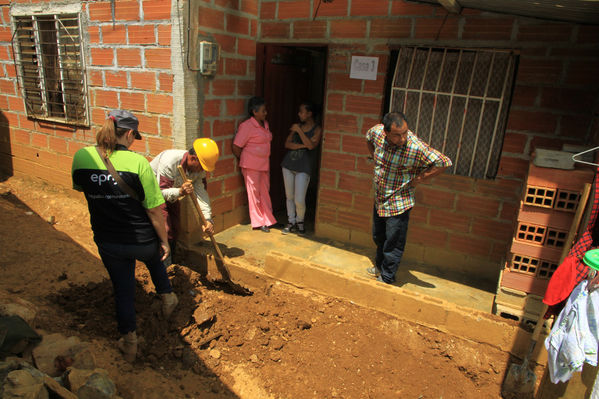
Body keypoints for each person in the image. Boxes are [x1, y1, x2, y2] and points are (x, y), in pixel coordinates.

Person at [71, 110, 178, 363]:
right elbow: (153, 209)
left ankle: (130, 343)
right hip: (140, 240)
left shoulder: (81, 157)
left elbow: (80, 187)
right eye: (134, 137)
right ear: (129, 133)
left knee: (123, 290)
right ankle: (168, 297)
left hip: (108, 241)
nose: (133, 141)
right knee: (155, 256)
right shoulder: (138, 163)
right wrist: (163, 241)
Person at [366, 112, 452, 284]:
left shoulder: (415, 147)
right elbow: (368, 137)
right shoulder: (376, 133)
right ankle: (379, 266)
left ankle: (387, 277)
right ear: (386, 132)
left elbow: (444, 162)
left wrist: (420, 179)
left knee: (393, 242)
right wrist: (375, 156)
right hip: (381, 199)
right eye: (397, 135)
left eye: (405, 132)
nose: (403, 138)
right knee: (379, 236)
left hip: (399, 202)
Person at [150, 138, 219, 259]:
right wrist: (180, 191)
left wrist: (207, 219)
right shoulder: (170, 161)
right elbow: (160, 193)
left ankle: (173, 260)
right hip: (154, 193)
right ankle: (163, 265)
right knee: (165, 229)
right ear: (193, 159)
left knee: (176, 226)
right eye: (202, 166)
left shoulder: (199, 169)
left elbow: (201, 193)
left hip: (173, 193)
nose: (203, 170)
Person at [232, 96, 277, 232]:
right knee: (254, 193)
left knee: (264, 192)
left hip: (264, 164)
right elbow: (236, 146)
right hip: (251, 165)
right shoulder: (247, 126)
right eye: (263, 111)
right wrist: (246, 159)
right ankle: (258, 222)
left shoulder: (265, 124)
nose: (265, 113)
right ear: (254, 111)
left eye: (265, 110)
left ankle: (268, 219)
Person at [280, 101, 322, 235]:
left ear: (309, 114)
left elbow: (311, 145)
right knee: (289, 196)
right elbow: (287, 144)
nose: (299, 114)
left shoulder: (316, 129)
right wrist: (302, 145)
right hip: (288, 164)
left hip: (304, 167)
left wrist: (299, 132)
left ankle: (300, 221)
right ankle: (291, 221)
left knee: (299, 199)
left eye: (302, 112)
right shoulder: (297, 126)